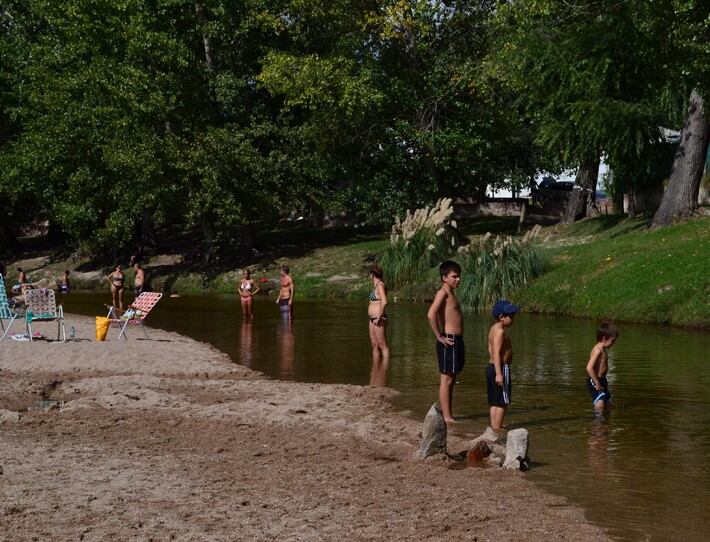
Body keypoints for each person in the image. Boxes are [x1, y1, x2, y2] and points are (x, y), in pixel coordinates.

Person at [426, 260, 464, 426]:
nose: (458, 279)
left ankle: (448, 414)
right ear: (444, 277)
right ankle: (447, 417)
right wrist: (439, 336)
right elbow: (431, 314)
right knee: (447, 380)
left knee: (451, 378)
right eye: (454, 276)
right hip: (449, 340)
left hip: (456, 341)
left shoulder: (451, 294)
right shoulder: (443, 293)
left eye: (459, 276)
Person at [487, 299, 519, 432]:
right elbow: (496, 352)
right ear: (502, 317)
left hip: (491, 368)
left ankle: (494, 425)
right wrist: (499, 373)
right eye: (511, 316)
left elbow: (490, 351)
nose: (513, 318)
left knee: (495, 400)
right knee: (503, 400)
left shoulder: (494, 329)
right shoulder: (500, 332)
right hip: (500, 368)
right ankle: (497, 427)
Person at [586, 322, 619, 410]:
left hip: (602, 380)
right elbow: (589, 368)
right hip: (595, 381)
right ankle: (598, 423)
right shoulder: (598, 350)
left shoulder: (603, 349)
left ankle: (605, 422)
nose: (613, 344)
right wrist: (596, 382)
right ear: (604, 338)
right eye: (612, 341)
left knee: (608, 405)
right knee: (600, 404)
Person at [368, 264, 390, 386]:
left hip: (379, 319)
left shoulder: (380, 285)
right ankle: (375, 369)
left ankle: (384, 372)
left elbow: (385, 301)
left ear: (372, 274)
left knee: (383, 345)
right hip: (372, 319)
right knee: (374, 345)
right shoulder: (375, 286)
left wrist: (379, 316)